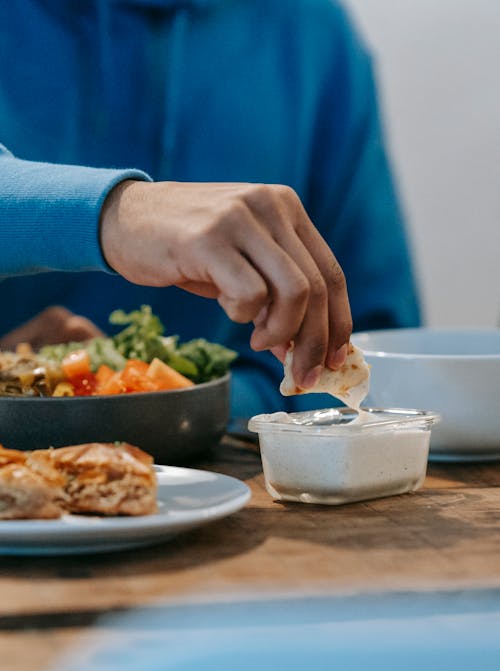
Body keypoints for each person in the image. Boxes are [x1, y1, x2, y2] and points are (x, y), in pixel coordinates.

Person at [0, 0, 420, 420]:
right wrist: (114, 213)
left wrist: (190, 405)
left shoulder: (310, 29)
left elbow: (378, 347)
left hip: (234, 464)